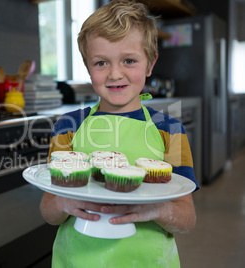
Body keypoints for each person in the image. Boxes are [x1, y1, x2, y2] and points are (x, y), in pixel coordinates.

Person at [39, 0, 199, 267]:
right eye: (101, 63)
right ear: (87, 67)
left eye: (129, 60)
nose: (115, 74)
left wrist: (155, 209)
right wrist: (64, 204)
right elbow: (48, 210)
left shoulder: (169, 130)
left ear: (150, 64)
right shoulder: (68, 126)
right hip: (77, 260)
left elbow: (186, 219)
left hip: (149, 261)